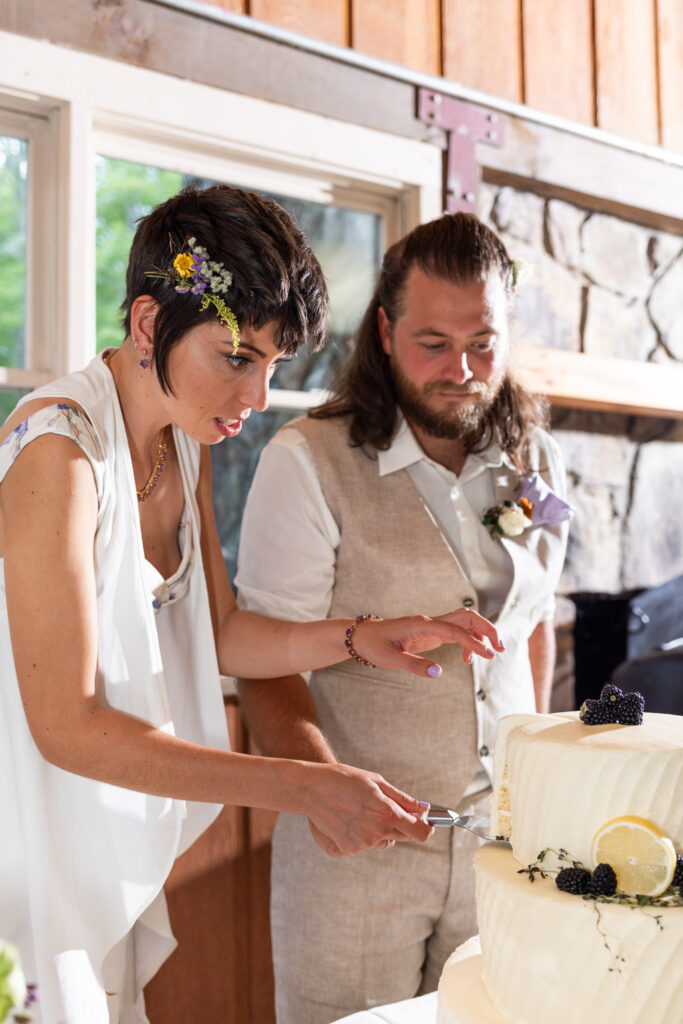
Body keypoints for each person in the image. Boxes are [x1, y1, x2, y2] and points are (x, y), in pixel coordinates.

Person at [0, 187, 504, 1024]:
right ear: (151, 323)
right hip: (24, 834)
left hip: (92, 833)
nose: (258, 396)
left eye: (273, 365)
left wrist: (362, 637)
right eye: (238, 358)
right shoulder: (58, 452)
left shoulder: (176, 441)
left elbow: (221, 634)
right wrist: (302, 787)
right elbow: (67, 726)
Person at [235, 212, 571, 1024]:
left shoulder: (539, 461)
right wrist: (325, 793)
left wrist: (548, 791)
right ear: (383, 331)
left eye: (483, 343)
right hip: (355, 858)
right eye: (432, 343)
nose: (460, 369)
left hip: (504, 850)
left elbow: (530, 624)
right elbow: (261, 662)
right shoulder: (304, 461)